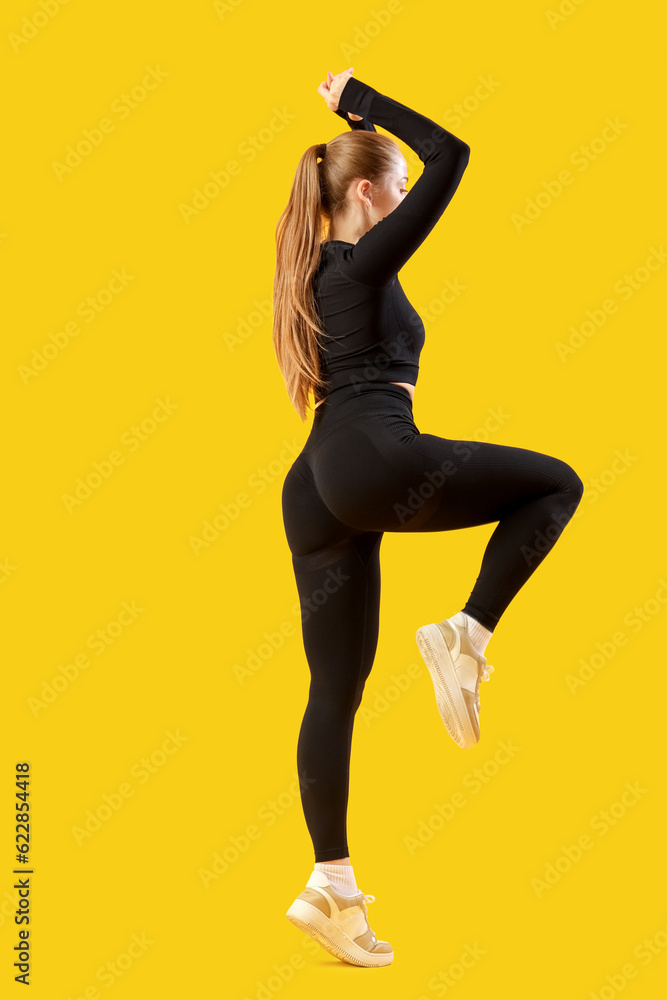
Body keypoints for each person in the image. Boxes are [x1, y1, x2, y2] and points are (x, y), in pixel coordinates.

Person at [272, 67, 583, 968]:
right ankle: (464, 632)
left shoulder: (315, 271)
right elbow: (454, 153)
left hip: (317, 480)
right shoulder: (361, 261)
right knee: (555, 484)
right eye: (396, 190)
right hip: (371, 457)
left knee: (334, 689)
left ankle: (330, 886)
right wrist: (360, 100)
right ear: (368, 192)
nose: (406, 199)